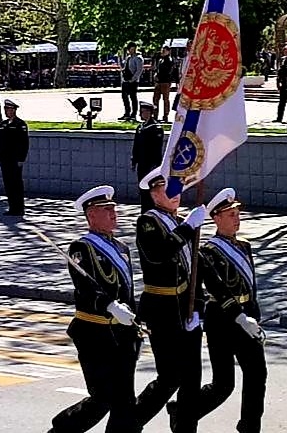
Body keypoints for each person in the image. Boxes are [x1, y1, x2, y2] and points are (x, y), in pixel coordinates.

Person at [48, 185, 139, 433]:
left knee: (125, 401)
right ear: (91, 215)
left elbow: (126, 290)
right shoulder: (81, 248)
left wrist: (134, 318)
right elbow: (86, 286)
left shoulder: (122, 248)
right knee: (103, 397)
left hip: (122, 334)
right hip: (94, 333)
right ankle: (62, 429)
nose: (113, 214)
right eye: (106, 210)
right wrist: (109, 305)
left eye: (113, 209)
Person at [134, 168, 206, 433]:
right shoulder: (148, 221)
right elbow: (159, 253)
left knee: (192, 378)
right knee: (169, 377)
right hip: (161, 310)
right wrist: (189, 227)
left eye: (177, 188)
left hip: (185, 309)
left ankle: (186, 428)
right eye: (167, 190)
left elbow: (194, 269)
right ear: (154, 194)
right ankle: (131, 421)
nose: (175, 195)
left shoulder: (179, 222)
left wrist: (198, 306)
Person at [189, 188, 267, 433]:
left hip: (247, 316)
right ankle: (183, 411)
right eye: (230, 214)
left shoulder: (244, 246)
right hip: (222, 320)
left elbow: (250, 286)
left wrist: (254, 317)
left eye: (237, 213)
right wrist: (240, 317)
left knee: (257, 374)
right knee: (223, 384)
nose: (236, 218)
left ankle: (249, 427)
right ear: (216, 218)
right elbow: (217, 287)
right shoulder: (208, 252)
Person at [0, 99, 29, 216]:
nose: (7, 111)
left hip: (15, 159)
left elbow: (24, 143)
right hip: (5, 159)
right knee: (8, 184)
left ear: (14, 110)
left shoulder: (20, 125)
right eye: (5, 109)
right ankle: (12, 207)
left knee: (16, 184)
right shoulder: (4, 124)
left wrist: (21, 159)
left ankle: (19, 208)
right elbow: (0, 142)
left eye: (9, 109)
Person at [131, 101, 164, 214]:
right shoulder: (140, 127)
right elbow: (136, 146)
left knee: (151, 190)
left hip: (151, 164)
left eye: (143, 112)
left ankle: (152, 212)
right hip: (142, 164)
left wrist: (156, 164)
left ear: (150, 113)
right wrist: (134, 160)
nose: (141, 114)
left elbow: (156, 148)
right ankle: (144, 212)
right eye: (140, 112)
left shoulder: (156, 128)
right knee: (142, 189)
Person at [119, 43, 144, 121]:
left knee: (133, 97)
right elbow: (124, 67)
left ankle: (133, 114)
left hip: (133, 81)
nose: (132, 51)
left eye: (133, 49)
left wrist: (133, 79)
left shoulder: (138, 58)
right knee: (124, 97)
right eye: (130, 49)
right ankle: (127, 113)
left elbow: (139, 70)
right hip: (125, 81)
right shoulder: (128, 58)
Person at [153, 46, 175, 122]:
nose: (162, 52)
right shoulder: (160, 60)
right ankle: (155, 115)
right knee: (155, 99)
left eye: (164, 51)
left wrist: (159, 76)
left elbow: (168, 71)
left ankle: (165, 115)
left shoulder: (169, 60)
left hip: (165, 82)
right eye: (162, 50)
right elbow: (157, 69)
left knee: (165, 99)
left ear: (168, 51)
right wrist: (156, 75)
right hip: (158, 82)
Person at [274, 44, 287, 123]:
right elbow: (279, 72)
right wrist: (278, 83)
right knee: (282, 102)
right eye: (286, 51)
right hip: (283, 84)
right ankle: (279, 118)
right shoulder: (282, 60)